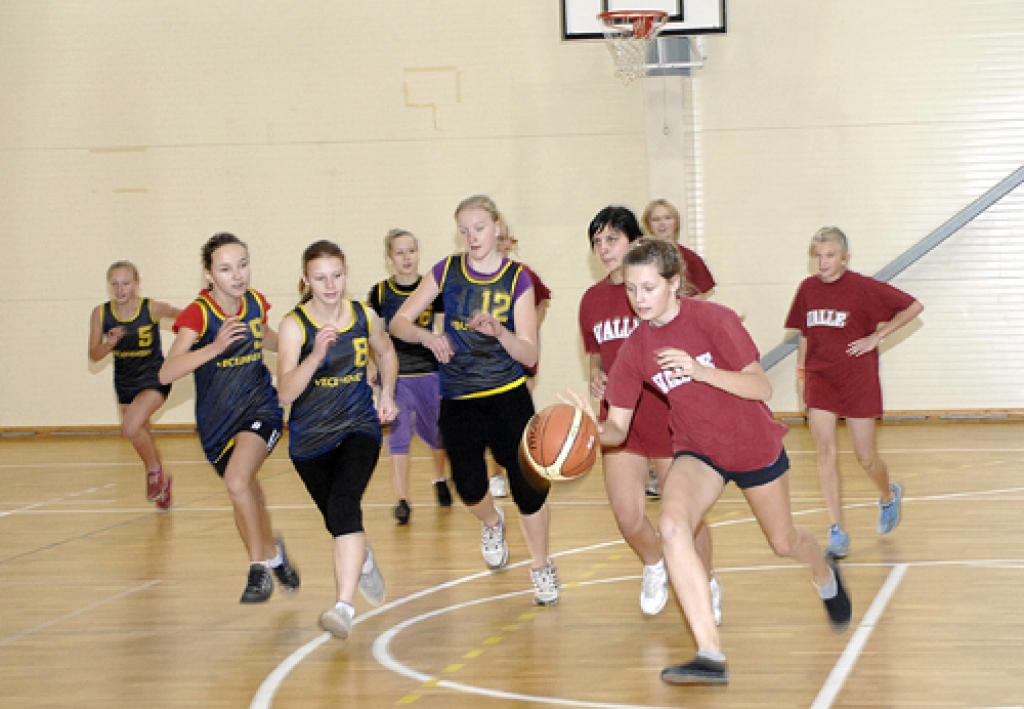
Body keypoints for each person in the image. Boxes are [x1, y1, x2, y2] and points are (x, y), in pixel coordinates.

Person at [588, 238, 851, 685]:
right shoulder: (635, 348)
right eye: (631, 289)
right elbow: (618, 427)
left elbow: (761, 388)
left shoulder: (715, 319)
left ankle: (825, 573)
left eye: (649, 288)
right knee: (673, 527)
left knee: (784, 541)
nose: (639, 299)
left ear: (674, 283)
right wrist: (588, 433)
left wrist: (701, 371)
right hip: (698, 450)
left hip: (751, 445)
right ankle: (709, 653)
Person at [389, 194, 559, 606]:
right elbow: (398, 322)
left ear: (497, 227)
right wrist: (427, 337)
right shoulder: (446, 270)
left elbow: (529, 353)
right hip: (459, 396)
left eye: (479, 228)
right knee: (467, 486)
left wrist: (500, 332)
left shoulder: (518, 278)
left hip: (507, 396)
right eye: (464, 230)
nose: (471, 237)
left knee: (529, 489)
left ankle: (541, 566)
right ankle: (492, 523)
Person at [578, 207, 720, 622]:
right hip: (621, 421)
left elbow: (693, 334)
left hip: (670, 417)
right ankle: (655, 563)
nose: (604, 249)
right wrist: (596, 378)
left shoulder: (655, 292)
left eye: (612, 239)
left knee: (687, 518)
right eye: (597, 242)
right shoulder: (591, 300)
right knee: (627, 515)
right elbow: (596, 355)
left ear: (633, 241)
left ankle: (706, 582)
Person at [159, 232, 300, 603]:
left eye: (242, 265)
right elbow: (167, 372)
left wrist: (302, 344)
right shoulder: (199, 314)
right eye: (225, 269)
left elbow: (265, 336)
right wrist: (215, 347)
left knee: (238, 480)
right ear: (209, 274)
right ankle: (274, 556)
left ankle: (258, 569)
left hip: (260, 408)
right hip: (217, 424)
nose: (237, 275)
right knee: (244, 490)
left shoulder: (254, 302)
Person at [278, 240, 398, 638]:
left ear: (346, 274)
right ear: (305, 280)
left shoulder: (364, 315)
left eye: (337, 276)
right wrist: (314, 356)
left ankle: (343, 608)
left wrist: (387, 395)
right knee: (339, 520)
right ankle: (363, 559)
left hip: (358, 427)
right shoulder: (294, 326)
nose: (330, 285)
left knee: (345, 505)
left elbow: (387, 353)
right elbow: (285, 393)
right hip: (309, 442)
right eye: (320, 278)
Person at [785, 226, 923, 559]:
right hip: (820, 379)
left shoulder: (863, 288)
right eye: (817, 255)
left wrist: (877, 337)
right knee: (825, 452)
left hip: (857, 380)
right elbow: (805, 335)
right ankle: (837, 530)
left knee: (866, 458)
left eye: (830, 255)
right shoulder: (807, 289)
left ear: (845, 258)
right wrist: (801, 375)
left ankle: (888, 495)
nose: (823, 262)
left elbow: (913, 306)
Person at [367, 229, 452, 524]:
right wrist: (370, 364)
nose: (406, 257)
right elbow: (372, 334)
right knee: (398, 435)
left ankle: (439, 477)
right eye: (400, 252)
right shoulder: (380, 293)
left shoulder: (431, 289)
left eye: (411, 251)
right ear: (389, 258)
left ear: (418, 253)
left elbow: (443, 330)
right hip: (396, 375)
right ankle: (402, 500)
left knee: (438, 433)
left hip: (429, 372)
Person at [88, 261, 180, 511]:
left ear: (137, 284)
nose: (120, 289)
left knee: (130, 428)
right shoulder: (101, 313)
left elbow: (186, 318)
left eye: (125, 283)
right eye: (115, 284)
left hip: (154, 378)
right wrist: (109, 343)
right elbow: (94, 355)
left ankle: (153, 472)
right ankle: (162, 486)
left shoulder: (152, 308)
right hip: (125, 382)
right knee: (142, 434)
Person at [488, 220, 552, 499]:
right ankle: (496, 475)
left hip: (519, 353)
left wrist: (529, 329)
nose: (498, 243)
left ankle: (525, 469)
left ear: (509, 243)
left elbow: (543, 300)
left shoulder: (522, 274)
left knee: (518, 412)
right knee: (493, 416)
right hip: (490, 356)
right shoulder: (477, 278)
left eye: (503, 238)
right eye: (495, 237)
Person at [642, 199, 717, 298]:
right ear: (648, 225)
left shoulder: (691, 259)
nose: (662, 223)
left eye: (667, 218)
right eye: (656, 219)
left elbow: (699, 298)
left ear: (676, 222)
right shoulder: (640, 258)